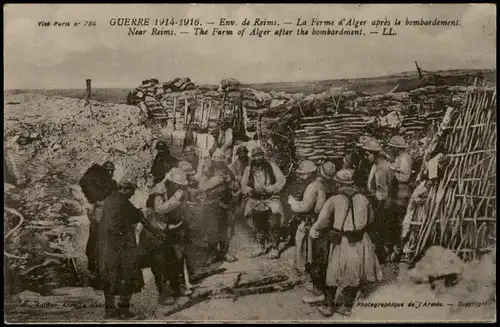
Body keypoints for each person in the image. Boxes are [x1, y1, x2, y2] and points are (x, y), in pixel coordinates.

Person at [310, 169, 383, 317]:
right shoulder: (364, 199)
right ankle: (347, 307)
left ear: (338, 183)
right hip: (361, 240)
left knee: (333, 272)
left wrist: (315, 228)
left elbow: (322, 221)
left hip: (342, 241)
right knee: (357, 272)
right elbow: (371, 219)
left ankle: (329, 306)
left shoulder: (334, 200)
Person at [96, 174, 145, 320]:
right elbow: (136, 217)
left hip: (107, 247)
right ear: (125, 188)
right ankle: (124, 311)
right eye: (132, 190)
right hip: (121, 246)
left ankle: (109, 311)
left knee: (109, 278)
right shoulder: (123, 201)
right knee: (128, 275)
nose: (134, 193)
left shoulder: (110, 199)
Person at [139, 168, 191, 306]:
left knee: (175, 258)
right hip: (155, 231)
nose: (180, 187)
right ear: (171, 182)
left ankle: (176, 287)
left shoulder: (174, 190)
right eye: (178, 185)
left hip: (168, 229)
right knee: (159, 262)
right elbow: (160, 209)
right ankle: (163, 293)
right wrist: (176, 198)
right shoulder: (159, 191)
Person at [241, 147, 286, 259]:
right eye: (256, 156)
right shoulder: (249, 169)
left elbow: (282, 180)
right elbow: (243, 184)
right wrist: (249, 191)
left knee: (275, 219)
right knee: (256, 221)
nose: (258, 158)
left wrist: (270, 189)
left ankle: (275, 247)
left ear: (263, 155)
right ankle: (260, 246)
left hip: (270, 197)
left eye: (260, 155)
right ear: (252, 157)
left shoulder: (271, 166)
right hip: (256, 198)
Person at [198, 149, 239, 262]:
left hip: (226, 203)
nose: (218, 165)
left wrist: (230, 181)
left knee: (226, 230)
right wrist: (218, 180)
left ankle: (224, 252)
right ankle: (212, 254)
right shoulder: (207, 171)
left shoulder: (228, 171)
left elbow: (236, 187)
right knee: (212, 230)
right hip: (211, 203)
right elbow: (202, 187)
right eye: (216, 162)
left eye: (220, 162)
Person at [362, 138, 395, 262]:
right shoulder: (377, 164)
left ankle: (384, 254)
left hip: (382, 200)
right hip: (380, 199)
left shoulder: (382, 168)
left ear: (374, 153)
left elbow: (383, 189)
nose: (366, 157)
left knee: (382, 227)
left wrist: (377, 199)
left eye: (367, 154)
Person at [386, 135, 413, 262]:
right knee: (396, 219)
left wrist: (393, 172)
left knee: (401, 220)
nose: (391, 149)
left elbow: (405, 177)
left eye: (392, 147)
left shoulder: (405, 158)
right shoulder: (399, 157)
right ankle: (397, 248)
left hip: (403, 191)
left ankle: (401, 249)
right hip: (398, 192)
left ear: (396, 147)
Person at [229, 145, 250, 224]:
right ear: (238, 156)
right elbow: (232, 174)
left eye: (244, 156)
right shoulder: (236, 164)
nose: (243, 158)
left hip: (250, 183)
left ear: (247, 154)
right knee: (236, 196)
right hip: (240, 184)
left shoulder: (251, 161)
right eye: (241, 157)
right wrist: (237, 177)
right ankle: (236, 215)